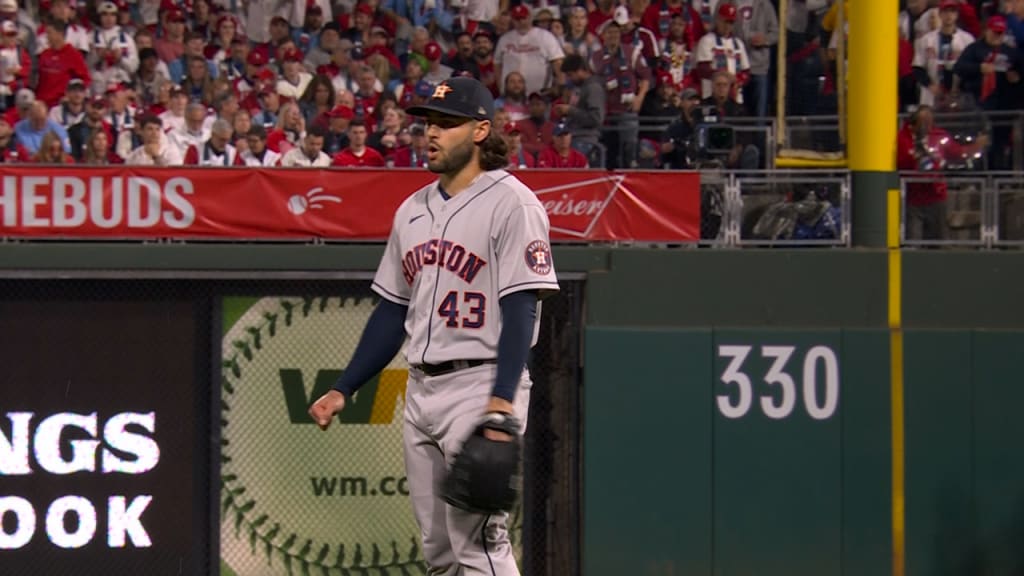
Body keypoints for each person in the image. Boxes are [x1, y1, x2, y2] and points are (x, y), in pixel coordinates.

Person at [308, 76, 559, 576]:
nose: (432, 133)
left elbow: (522, 307)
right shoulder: (412, 210)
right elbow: (392, 312)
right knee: (438, 553)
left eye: (447, 123)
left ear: (482, 131)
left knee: (480, 544)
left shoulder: (514, 204)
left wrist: (502, 401)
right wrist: (344, 388)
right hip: (420, 389)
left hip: (481, 383)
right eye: (428, 123)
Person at [896, 104, 987, 240]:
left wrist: (975, 147)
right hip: (912, 198)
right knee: (912, 241)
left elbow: (957, 153)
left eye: (929, 122)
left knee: (938, 239)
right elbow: (901, 162)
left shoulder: (939, 136)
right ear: (913, 123)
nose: (926, 127)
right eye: (923, 122)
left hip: (935, 196)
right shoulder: (902, 139)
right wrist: (914, 158)